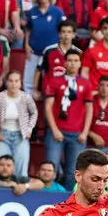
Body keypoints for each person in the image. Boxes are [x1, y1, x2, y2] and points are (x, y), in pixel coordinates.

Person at [42, 49, 93, 188]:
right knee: (52, 168)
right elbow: (48, 107)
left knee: (73, 172)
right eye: (69, 60)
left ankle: (69, 202)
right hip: (56, 133)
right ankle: (50, 197)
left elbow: (89, 109)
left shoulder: (86, 84)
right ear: (64, 63)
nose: (72, 63)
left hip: (77, 135)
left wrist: (85, 132)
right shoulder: (54, 81)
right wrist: (54, 130)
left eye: (76, 61)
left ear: (80, 63)